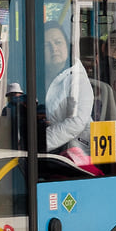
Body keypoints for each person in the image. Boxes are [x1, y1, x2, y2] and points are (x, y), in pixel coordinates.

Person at [42, 22, 94, 155]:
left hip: (76, 154)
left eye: (58, 42)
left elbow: (76, 122)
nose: (54, 49)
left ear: (67, 45)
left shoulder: (77, 79)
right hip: (47, 151)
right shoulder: (40, 77)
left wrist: (41, 142)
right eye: (47, 45)